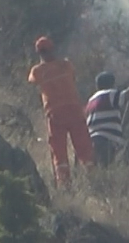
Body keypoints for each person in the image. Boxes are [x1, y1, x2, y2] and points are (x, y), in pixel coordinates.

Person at [27, 36, 93, 187]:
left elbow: (31, 81)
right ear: (53, 49)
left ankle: (64, 185)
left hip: (55, 114)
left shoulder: (37, 71)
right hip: (74, 110)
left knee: (59, 151)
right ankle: (93, 179)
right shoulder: (66, 65)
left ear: (38, 53)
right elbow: (73, 76)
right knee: (84, 147)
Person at [85, 68, 129, 167]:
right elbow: (126, 96)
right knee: (107, 166)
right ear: (111, 83)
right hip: (106, 139)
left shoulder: (91, 100)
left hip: (91, 140)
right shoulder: (111, 93)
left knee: (97, 168)